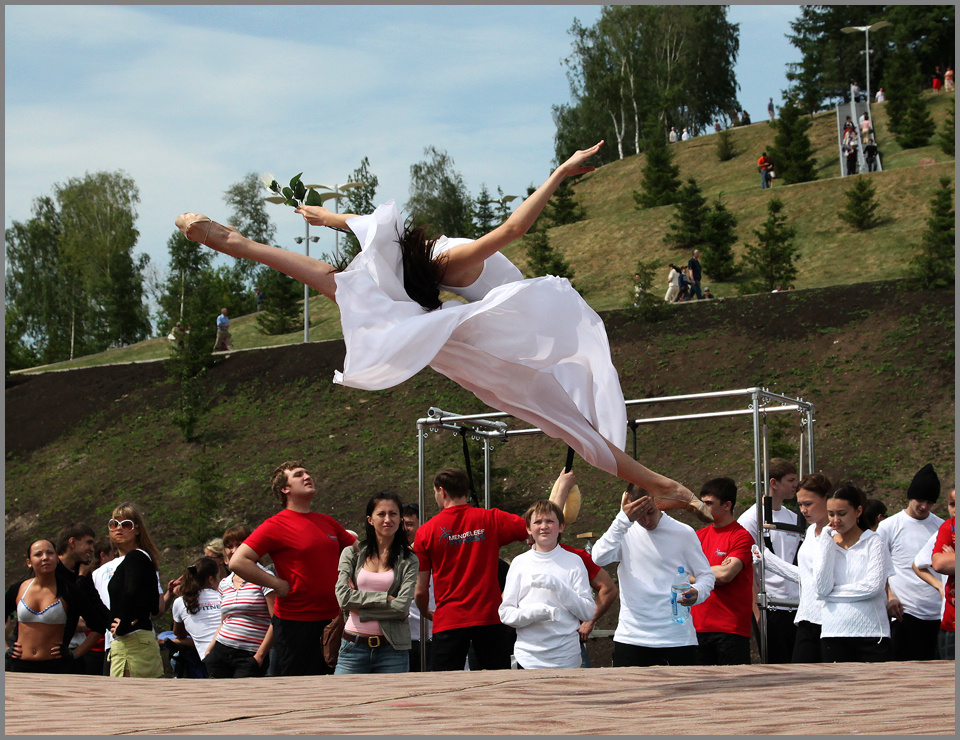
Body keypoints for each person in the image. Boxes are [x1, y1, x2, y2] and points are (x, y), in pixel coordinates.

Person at [176, 141, 710, 522]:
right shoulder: (379, 286)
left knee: (564, 418)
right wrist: (558, 173)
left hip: (478, 335)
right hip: (460, 347)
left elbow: (259, 247)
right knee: (562, 420)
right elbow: (508, 228)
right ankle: (660, 484)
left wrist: (227, 233)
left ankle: (661, 484)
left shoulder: (415, 274)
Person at [226, 461, 357, 676]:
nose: (307, 476)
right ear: (285, 489)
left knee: (335, 690)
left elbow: (361, 553)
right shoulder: (275, 525)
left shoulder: (327, 522)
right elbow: (238, 561)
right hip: (296, 624)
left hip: (335, 621)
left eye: (307, 472)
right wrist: (276, 583)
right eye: (298, 475)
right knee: (301, 692)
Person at [413, 468, 529, 671]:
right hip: (489, 617)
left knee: (443, 686)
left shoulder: (426, 531)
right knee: (497, 683)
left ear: (442, 492)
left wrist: (426, 611)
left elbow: (421, 590)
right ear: (466, 490)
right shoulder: (491, 519)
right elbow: (533, 527)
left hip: (449, 619)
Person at [592, 484, 715, 667]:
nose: (646, 520)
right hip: (631, 637)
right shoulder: (624, 530)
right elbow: (598, 558)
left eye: (650, 512)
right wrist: (623, 520)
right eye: (639, 515)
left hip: (676, 638)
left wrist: (698, 591)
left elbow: (706, 575)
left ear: (661, 503)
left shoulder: (683, 533)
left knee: (682, 696)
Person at [498, 500, 595, 669]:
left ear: (561, 527)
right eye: (537, 522)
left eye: (550, 521)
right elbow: (506, 614)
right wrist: (535, 613)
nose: (544, 526)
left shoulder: (574, 562)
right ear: (528, 529)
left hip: (567, 659)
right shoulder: (519, 563)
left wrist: (559, 587)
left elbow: (587, 612)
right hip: (528, 660)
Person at [751, 472, 833, 663]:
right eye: (800, 504)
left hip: (829, 618)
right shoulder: (811, 530)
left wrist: (769, 560)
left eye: (809, 504)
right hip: (807, 616)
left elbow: (819, 581)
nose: (803, 510)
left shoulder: (833, 533)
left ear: (827, 500)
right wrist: (767, 559)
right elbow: (805, 576)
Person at [335, 492, 418, 674]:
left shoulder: (409, 559)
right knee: (344, 699)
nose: (387, 519)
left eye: (393, 514)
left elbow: (401, 607)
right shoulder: (351, 554)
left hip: (393, 650)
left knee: (394, 702)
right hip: (352, 646)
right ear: (370, 520)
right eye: (381, 514)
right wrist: (385, 599)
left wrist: (360, 609)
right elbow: (343, 598)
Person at [813, 482, 893, 663]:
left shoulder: (874, 542)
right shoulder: (825, 542)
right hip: (833, 631)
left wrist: (831, 595)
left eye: (842, 514)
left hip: (872, 632)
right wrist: (826, 541)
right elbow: (821, 588)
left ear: (858, 512)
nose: (835, 520)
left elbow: (873, 587)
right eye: (831, 514)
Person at [877, 463, 945, 661]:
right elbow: (879, 569)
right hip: (905, 613)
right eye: (920, 500)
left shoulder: (941, 526)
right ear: (910, 496)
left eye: (930, 502)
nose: (924, 506)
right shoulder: (889, 526)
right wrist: (889, 596)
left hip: (937, 613)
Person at [737, 458, 802, 664]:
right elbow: (748, 568)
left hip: (797, 605)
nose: (795, 485)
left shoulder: (794, 517)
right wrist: (757, 609)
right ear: (774, 483)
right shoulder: (751, 519)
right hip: (771, 605)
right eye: (791, 480)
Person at [691, 478, 754, 665]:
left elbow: (726, 575)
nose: (702, 508)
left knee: (734, 690)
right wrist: (713, 572)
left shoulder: (741, 536)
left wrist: (697, 574)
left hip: (730, 629)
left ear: (727, 505)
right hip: (697, 627)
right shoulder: (698, 536)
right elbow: (679, 573)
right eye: (701, 503)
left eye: (708, 503)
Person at [204, 525, 275, 678]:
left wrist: (259, 656)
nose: (234, 550)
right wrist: (209, 650)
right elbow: (224, 621)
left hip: (249, 655)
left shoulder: (265, 577)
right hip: (221, 651)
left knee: (244, 699)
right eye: (229, 546)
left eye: (239, 545)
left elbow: (276, 620)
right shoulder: (224, 583)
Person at [106, 504, 165, 677]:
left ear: (137, 530)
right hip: (132, 641)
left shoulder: (136, 556)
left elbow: (130, 592)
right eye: (114, 524)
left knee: (128, 700)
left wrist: (124, 625)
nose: (119, 529)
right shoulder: (141, 560)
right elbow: (153, 606)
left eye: (126, 525)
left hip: (133, 643)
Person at [5, 540, 74, 673]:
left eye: (50, 553)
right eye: (38, 554)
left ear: (57, 559)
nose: (45, 558)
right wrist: (6, 648)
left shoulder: (69, 590)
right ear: (29, 562)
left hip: (54, 667)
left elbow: (97, 624)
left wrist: (74, 653)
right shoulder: (18, 589)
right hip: (19, 665)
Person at [54, 522, 111, 673]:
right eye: (89, 542)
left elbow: (100, 616)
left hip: (65, 659)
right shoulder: (49, 570)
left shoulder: (84, 574)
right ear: (72, 542)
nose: (92, 549)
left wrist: (75, 654)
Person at [168, 556, 222, 678]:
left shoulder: (180, 602)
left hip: (209, 660)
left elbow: (179, 634)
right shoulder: (223, 596)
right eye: (218, 577)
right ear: (211, 579)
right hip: (232, 652)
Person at [401, 503, 434, 672]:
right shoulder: (394, 556)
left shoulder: (433, 552)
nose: (405, 529)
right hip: (405, 637)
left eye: (410, 524)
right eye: (402, 524)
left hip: (430, 634)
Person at [930, 490, 955, 659]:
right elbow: (938, 563)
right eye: (952, 504)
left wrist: (952, 558)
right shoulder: (949, 526)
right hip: (951, 625)